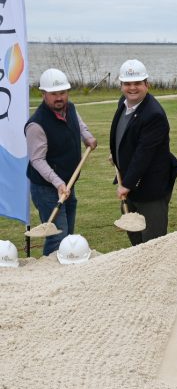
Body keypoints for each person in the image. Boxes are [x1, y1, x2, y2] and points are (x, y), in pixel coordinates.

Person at [25, 68, 97, 256]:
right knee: (58, 237)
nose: (59, 98)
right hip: (47, 188)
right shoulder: (36, 124)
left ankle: (67, 271)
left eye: (62, 93)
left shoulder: (70, 108)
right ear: (43, 95)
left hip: (68, 183)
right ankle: (49, 274)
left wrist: (87, 137)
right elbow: (37, 160)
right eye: (54, 94)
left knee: (69, 238)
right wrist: (58, 183)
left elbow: (79, 125)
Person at [109, 59, 177, 246]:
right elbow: (125, 136)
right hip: (131, 184)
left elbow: (144, 153)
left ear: (146, 85)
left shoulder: (153, 114)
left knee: (153, 242)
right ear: (121, 85)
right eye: (127, 83)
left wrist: (127, 184)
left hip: (151, 188)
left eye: (137, 83)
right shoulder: (123, 103)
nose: (132, 88)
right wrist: (117, 154)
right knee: (135, 237)